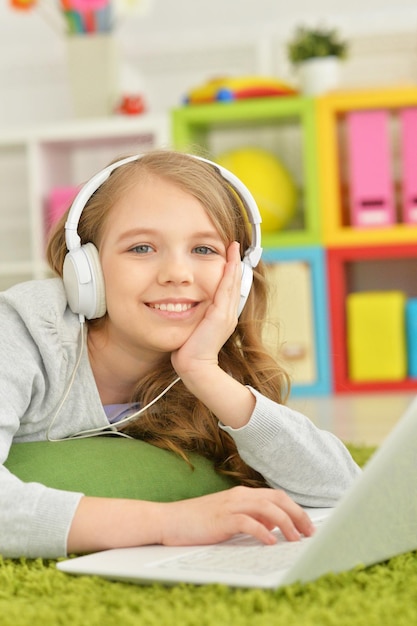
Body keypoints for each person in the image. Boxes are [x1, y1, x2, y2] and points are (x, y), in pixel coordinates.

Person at [0, 150, 360, 559]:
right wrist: (170, 522)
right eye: (141, 248)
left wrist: (203, 371)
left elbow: (346, 490)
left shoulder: (214, 370)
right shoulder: (19, 334)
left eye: (204, 250)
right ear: (87, 270)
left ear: (237, 277)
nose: (177, 273)